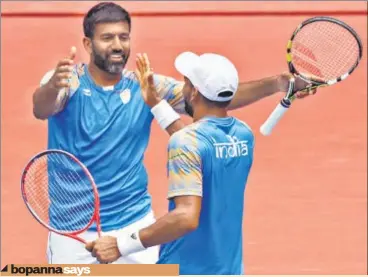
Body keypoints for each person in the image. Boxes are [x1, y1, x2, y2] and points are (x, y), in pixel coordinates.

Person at [32, 2, 315, 264]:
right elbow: (42, 108)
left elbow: (215, 96)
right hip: (74, 231)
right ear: (87, 43)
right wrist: (53, 87)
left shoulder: (145, 86)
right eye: (107, 38)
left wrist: (278, 83)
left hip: (134, 223)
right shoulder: (66, 81)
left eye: (123, 37)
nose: (117, 45)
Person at [87, 52, 255, 275]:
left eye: (186, 84)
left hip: (185, 270)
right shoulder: (243, 134)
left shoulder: (187, 143)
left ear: (194, 92)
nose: (182, 89)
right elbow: (197, 146)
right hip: (230, 269)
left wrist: (121, 245)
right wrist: (156, 104)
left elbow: (186, 217)